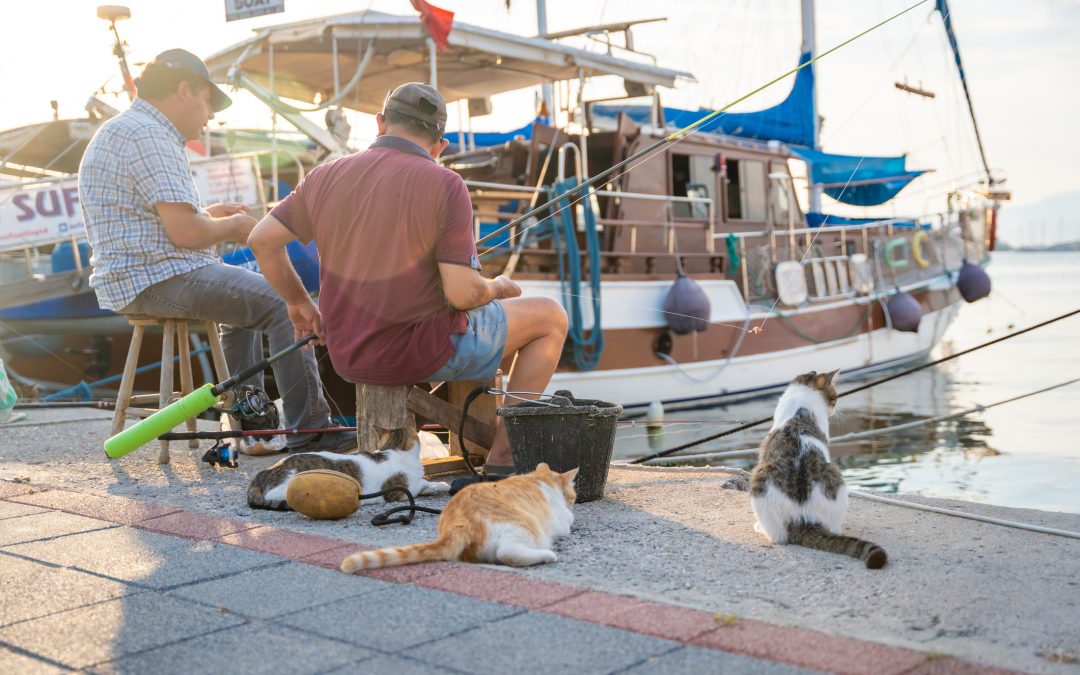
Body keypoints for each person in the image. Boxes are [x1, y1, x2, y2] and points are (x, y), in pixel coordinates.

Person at [248, 82, 568, 473]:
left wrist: (298, 303)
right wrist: (498, 286)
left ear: (380, 123)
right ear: (440, 146)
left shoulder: (323, 176)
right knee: (551, 318)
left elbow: (261, 240)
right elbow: (464, 293)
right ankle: (503, 457)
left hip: (347, 353)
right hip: (415, 352)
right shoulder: (445, 183)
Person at [78, 48, 351, 454]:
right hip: (158, 275)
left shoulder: (130, 128)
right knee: (281, 302)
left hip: (140, 272)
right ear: (185, 90)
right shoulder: (150, 135)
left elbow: (162, 223)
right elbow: (186, 235)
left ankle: (252, 424)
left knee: (245, 303)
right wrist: (239, 227)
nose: (210, 115)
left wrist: (209, 215)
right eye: (208, 101)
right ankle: (310, 428)